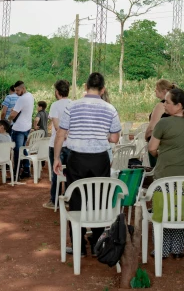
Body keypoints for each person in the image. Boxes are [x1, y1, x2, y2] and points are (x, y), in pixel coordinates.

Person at [53, 72, 121, 256]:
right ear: (103, 89)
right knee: (99, 200)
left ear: (85, 87)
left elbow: (61, 134)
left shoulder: (72, 106)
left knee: (76, 200)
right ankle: (98, 244)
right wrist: (100, 134)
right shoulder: (110, 109)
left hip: (77, 159)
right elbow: (115, 138)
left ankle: (78, 247)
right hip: (100, 159)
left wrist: (56, 158)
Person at [147, 87, 184, 258]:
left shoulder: (164, 123)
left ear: (178, 105)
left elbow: (152, 148)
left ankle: (162, 250)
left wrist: (163, 153)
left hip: (164, 176)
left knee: (162, 212)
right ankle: (177, 249)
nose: (164, 105)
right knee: (180, 213)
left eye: (167, 102)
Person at [43, 80, 72, 209]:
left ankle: (54, 200)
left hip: (56, 144)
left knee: (56, 173)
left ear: (57, 92)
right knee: (69, 172)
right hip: (70, 144)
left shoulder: (55, 105)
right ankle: (68, 198)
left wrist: (63, 135)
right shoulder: (73, 104)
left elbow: (56, 126)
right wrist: (68, 135)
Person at [145, 79, 175, 168]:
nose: (154, 90)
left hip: (158, 143)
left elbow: (152, 127)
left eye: (156, 88)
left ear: (164, 91)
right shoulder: (175, 106)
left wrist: (147, 137)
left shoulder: (160, 106)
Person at [9, 81, 35, 179]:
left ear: (23, 88)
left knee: (17, 152)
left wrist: (7, 120)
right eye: (15, 90)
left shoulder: (22, 99)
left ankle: (16, 174)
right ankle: (27, 170)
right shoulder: (30, 96)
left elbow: (13, 114)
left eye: (17, 90)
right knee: (23, 149)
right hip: (27, 127)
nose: (16, 92)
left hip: (18, 128)